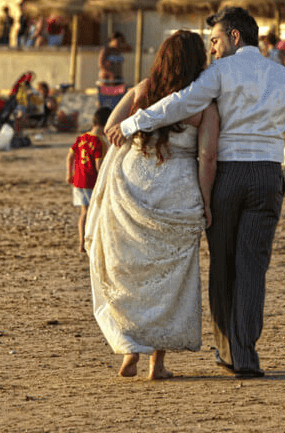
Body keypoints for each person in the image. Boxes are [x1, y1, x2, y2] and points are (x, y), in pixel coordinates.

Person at [105, 7, 285, 378]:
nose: (212, 50)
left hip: (229, 176)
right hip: (267, 175)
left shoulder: (220, 72)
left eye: (215, 40)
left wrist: (135, 121)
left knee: (223, 263)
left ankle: (225, 348)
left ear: (235, 37)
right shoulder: (284, 76)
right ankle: (245, 354)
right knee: (253, 267)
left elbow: (180, 104)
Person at [86, 30, 219, 380]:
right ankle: (156, 364)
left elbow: (111, 128)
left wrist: (136, 122)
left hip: (134, 179)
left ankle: (130, 349)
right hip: (177, 186)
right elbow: (207, 157)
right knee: (169, 276)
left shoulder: (144, 89)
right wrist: (206, 202)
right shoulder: (203, 102)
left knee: (130, 269)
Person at [67, 107, 111, 253]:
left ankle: (81, 241)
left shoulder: (81, 138)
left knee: (84, 212)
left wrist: (69, 173)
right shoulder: (100, 142)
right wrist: (105, 181)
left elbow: (70, 156)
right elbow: (99, 166)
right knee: (95, 212)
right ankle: (92, 242)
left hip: (78, 181)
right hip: (91, 182)